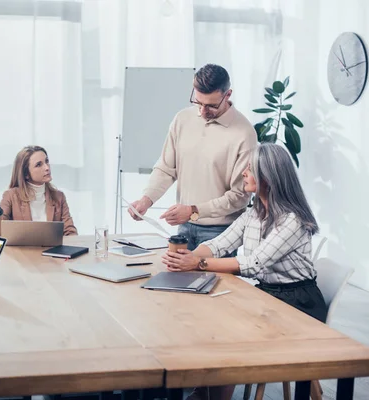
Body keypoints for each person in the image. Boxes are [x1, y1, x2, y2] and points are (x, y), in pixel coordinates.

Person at [162, 143, 328, 400]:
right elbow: (220, 244)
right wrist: (188, 257)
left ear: (269, 177)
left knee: (229, 332)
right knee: (212, 321)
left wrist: (196, 265)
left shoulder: (292, 220)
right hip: (269, 295)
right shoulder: (255, 213)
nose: (244, 174)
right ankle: (204, 391)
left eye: (250, 169)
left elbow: (254, 264)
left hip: (298, 304)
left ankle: (208, 394)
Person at [129, 64, 257, 249]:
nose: (203, 111)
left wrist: (193, 211)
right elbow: (166, 168)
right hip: (184, 228)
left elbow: (239, 196)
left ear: (227, 95)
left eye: (212, 105)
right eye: (198, 102)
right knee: (177, 277)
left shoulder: (245, 133)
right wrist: (146, 200)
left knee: (215, 280)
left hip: (221, 232)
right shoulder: (182, 119)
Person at [0, 145, 78, 236]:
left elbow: (70, 232)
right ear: (26, 174)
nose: (47, 168)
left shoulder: (59, 197)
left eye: (47, 161)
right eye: (39, 165)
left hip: (53, 251)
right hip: (21, 251)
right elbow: (0, 227)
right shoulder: (11, 196)